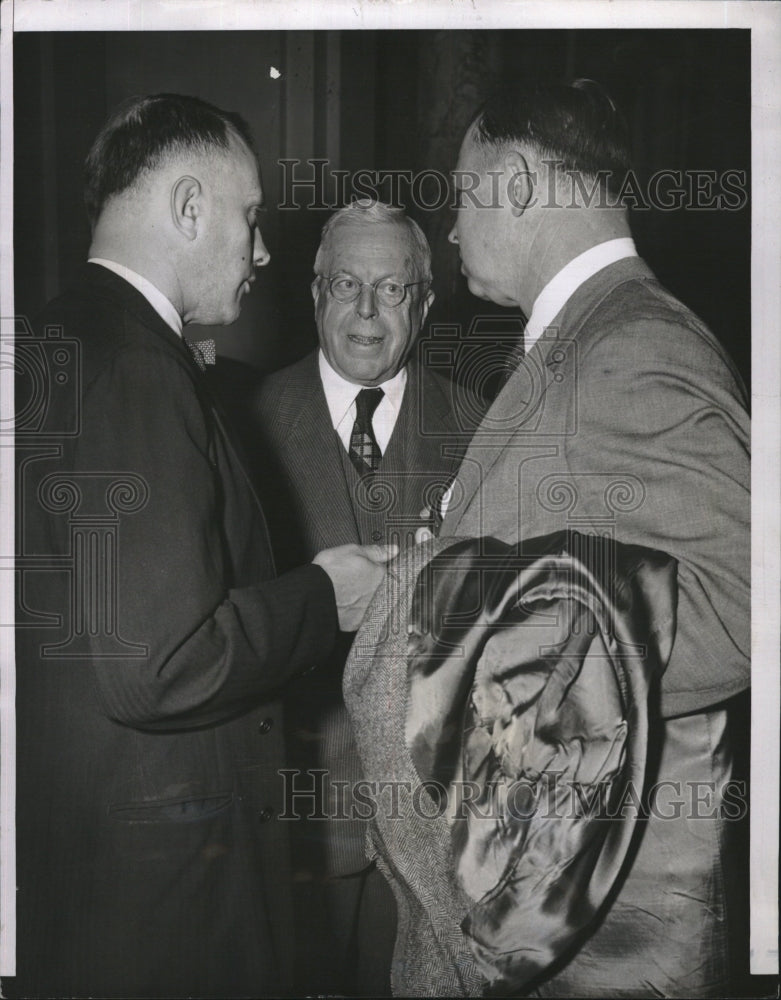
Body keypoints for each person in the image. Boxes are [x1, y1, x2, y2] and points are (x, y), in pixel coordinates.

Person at [9, 94, 394, 999]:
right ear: (188, 209)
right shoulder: (141, 367)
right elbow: (159, 664)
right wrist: (323, 597)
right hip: (170, 898)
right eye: (251, 218)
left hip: (96, 868)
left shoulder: (58, 336)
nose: (263, 250)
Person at [437, 79, 750, 997]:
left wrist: (501, 659)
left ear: (522, 185)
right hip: (565, 891)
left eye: (462, 194)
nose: (451, 229)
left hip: (607, 918)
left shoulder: (633, 344)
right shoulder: (590, 334)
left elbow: (744, 605)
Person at [256, 200, 471, 996]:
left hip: (435, 837)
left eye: (392, 289)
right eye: (346, 284)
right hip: (293, 823)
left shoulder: (482, 427)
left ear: (424, 302)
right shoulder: (238, 423)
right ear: (312, 293)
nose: (367, 314)